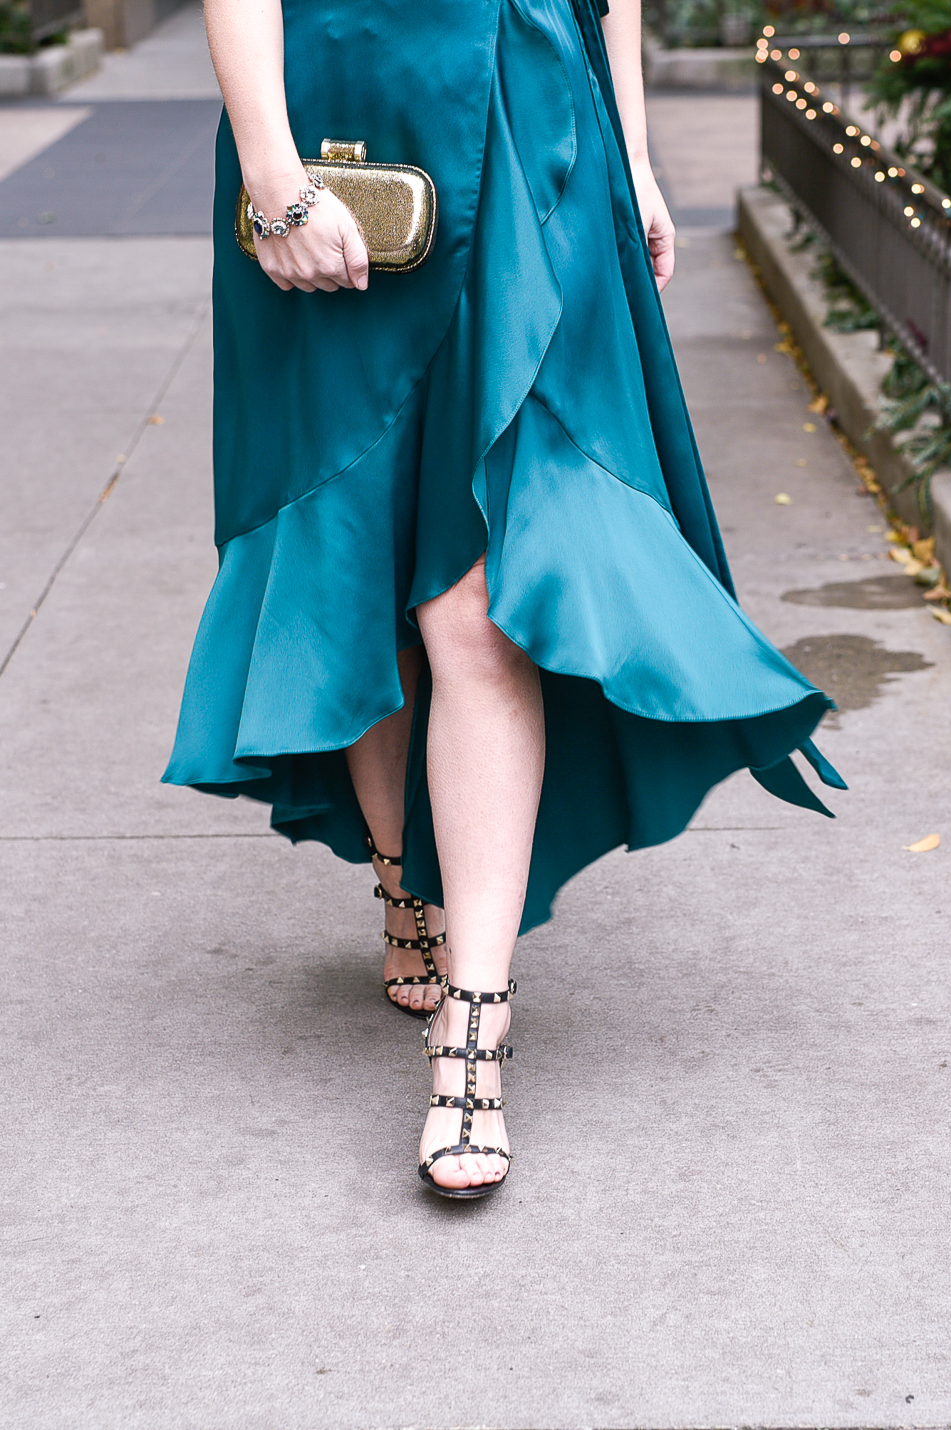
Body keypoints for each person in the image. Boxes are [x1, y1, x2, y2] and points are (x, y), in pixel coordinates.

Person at [164, 0, 844, 1200]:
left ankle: (472, 1030)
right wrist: (271, 170)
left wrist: (632, 147)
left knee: (479, 598)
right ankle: (400, 878)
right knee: (350, 551)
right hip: (339, 116)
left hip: (535, 116)